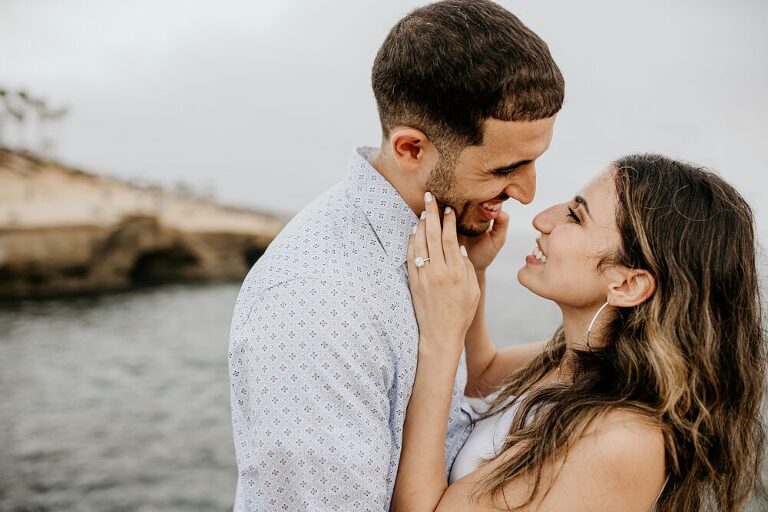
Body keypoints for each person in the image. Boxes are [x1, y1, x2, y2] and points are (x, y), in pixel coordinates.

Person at [227, 1, 564, 510]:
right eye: (504, 169)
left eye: (535, 161)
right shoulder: (317, 302)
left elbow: (473, 383)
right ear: (410, 148)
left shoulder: (440, 249)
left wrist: (472, 273)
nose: (527, 192)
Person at [394, 154, 766, 511]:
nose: (542, 219)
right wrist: (474, 270)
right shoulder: (575, 359)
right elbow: (482, 374)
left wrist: (440, 337)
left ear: (628, 284)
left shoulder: (622, 439)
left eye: (575, 216)